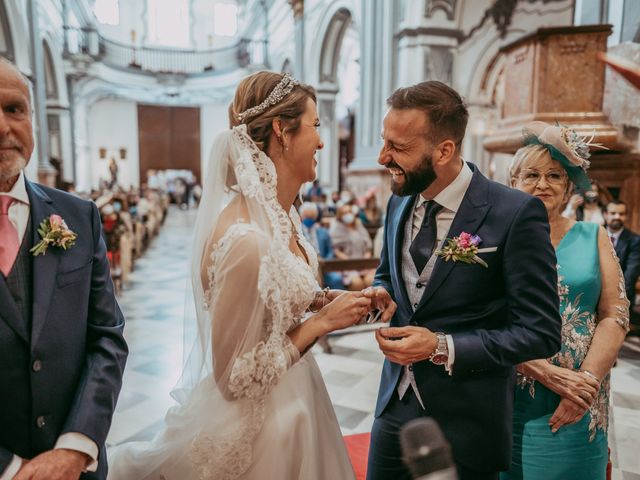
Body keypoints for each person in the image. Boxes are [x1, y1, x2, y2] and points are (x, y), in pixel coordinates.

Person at [108, 71, 371, 480]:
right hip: (263, 426)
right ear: (282, 132)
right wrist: (319, 324)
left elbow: (281, 292)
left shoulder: (282, 215)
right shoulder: (245, 241)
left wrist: (328, 301)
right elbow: (233, 378)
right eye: (316, 127)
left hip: (298, 393)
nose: (322, 141)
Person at [364, 81, 562, 480]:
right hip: (394, 406)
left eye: (398, 147)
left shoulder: (515, 213)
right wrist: (381, 291)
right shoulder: (398, 199)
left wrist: (441, 346)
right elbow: (391, 272)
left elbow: (540, 333)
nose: (383, 157)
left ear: (444, 150)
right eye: (385, 141)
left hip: (468, 420)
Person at [0, 58, 128, 479]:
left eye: (14, 110)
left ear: (32, 118)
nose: (3, 127)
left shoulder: (78, 216)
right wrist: (13, 470)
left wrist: (76, 447)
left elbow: (106, 338)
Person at [502, 122, 629, 480]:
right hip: (514, 393)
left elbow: (614, 314)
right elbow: (483, 316)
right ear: (514, 182)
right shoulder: (495, 237)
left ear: (569, 186)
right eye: (531, 174)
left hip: (582, 397)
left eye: (554, 175)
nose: (543, 184)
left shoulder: (593, 235)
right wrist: (545, 372)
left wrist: (584, 382)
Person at [604, 200, 640, 316]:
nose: (617, 217)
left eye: (621, 214)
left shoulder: (635, 240)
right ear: (605, 214)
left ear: (626, 216)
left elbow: (630, 276)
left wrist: (617, 301)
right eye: (613, 213)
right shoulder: (594, 235)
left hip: (622, 298)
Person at [299, 201, 344, 289]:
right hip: (305, 266)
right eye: (307, 217)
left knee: (337, 279)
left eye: (311, 217)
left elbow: (330, 251)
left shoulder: (323, 232)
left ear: (315, 217)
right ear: (301, 217)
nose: (309, 219)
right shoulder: (298, 232)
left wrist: (325, 260)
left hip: (324, 266)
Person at [330, 203, 375, 290]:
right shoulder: (337, 229)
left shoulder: (359, 226)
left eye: (349, 212)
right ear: (340, 215)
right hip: (347, 265)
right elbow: (336, 250)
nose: (348, 214)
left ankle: (370, 303)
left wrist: (367, 255)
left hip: (364, 263)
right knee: (357, 283)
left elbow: (368, 246)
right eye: (345, 213)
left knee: (370, 281)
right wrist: (349, 261)